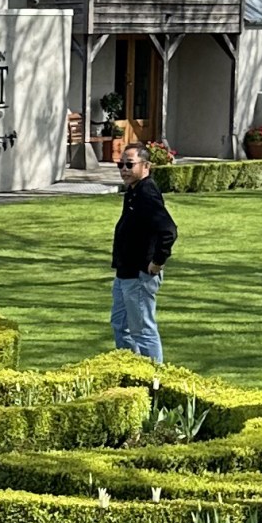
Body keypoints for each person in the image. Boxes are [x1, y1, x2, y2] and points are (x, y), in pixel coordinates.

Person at [109, 143, 177, 363]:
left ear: (146, 166)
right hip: (124, 272)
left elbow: (168, 231)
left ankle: (154, 381)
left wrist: (157, 262)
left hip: (139, 275)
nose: (124, 169)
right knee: (120, 325)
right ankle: (131, 369)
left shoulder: (146, 192)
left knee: (143, 331)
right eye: (121, 164)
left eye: (129, 164)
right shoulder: (133, 191)